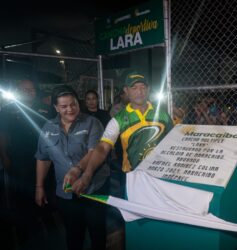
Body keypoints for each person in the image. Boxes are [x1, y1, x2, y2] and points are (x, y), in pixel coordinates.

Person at [64, 72, 173, 195]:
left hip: (160, 175)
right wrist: (87, 174)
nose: (139, 92)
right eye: (134, 88)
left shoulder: (162, 114)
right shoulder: (119, 119)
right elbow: (103, 147)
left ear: (148, 89)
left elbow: (174, 139)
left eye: (143, 87)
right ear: (126, 90)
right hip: (134, 177)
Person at [35, 85, 110, 250]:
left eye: (73, 104)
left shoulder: (92, 123)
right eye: (64, 106)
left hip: (94, 189)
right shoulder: (48, 128)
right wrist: (39, 186)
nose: (70, 109)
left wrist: (77, 170)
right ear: (56, 107)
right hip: (66, 192)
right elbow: (43, 158)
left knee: (97, 234)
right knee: (73, 234)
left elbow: (94, 151)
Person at [0, 79, 53, 250]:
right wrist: (4, 157)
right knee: (22, 200)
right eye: (25, 89)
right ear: (18, 91)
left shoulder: (45, 107)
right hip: (19, 160)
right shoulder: (7, 110)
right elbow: (2, 135)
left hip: (44, 159)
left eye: (32, 89)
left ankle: (48, 228)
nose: (30, 92)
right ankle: (26, 236)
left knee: (46, 194)